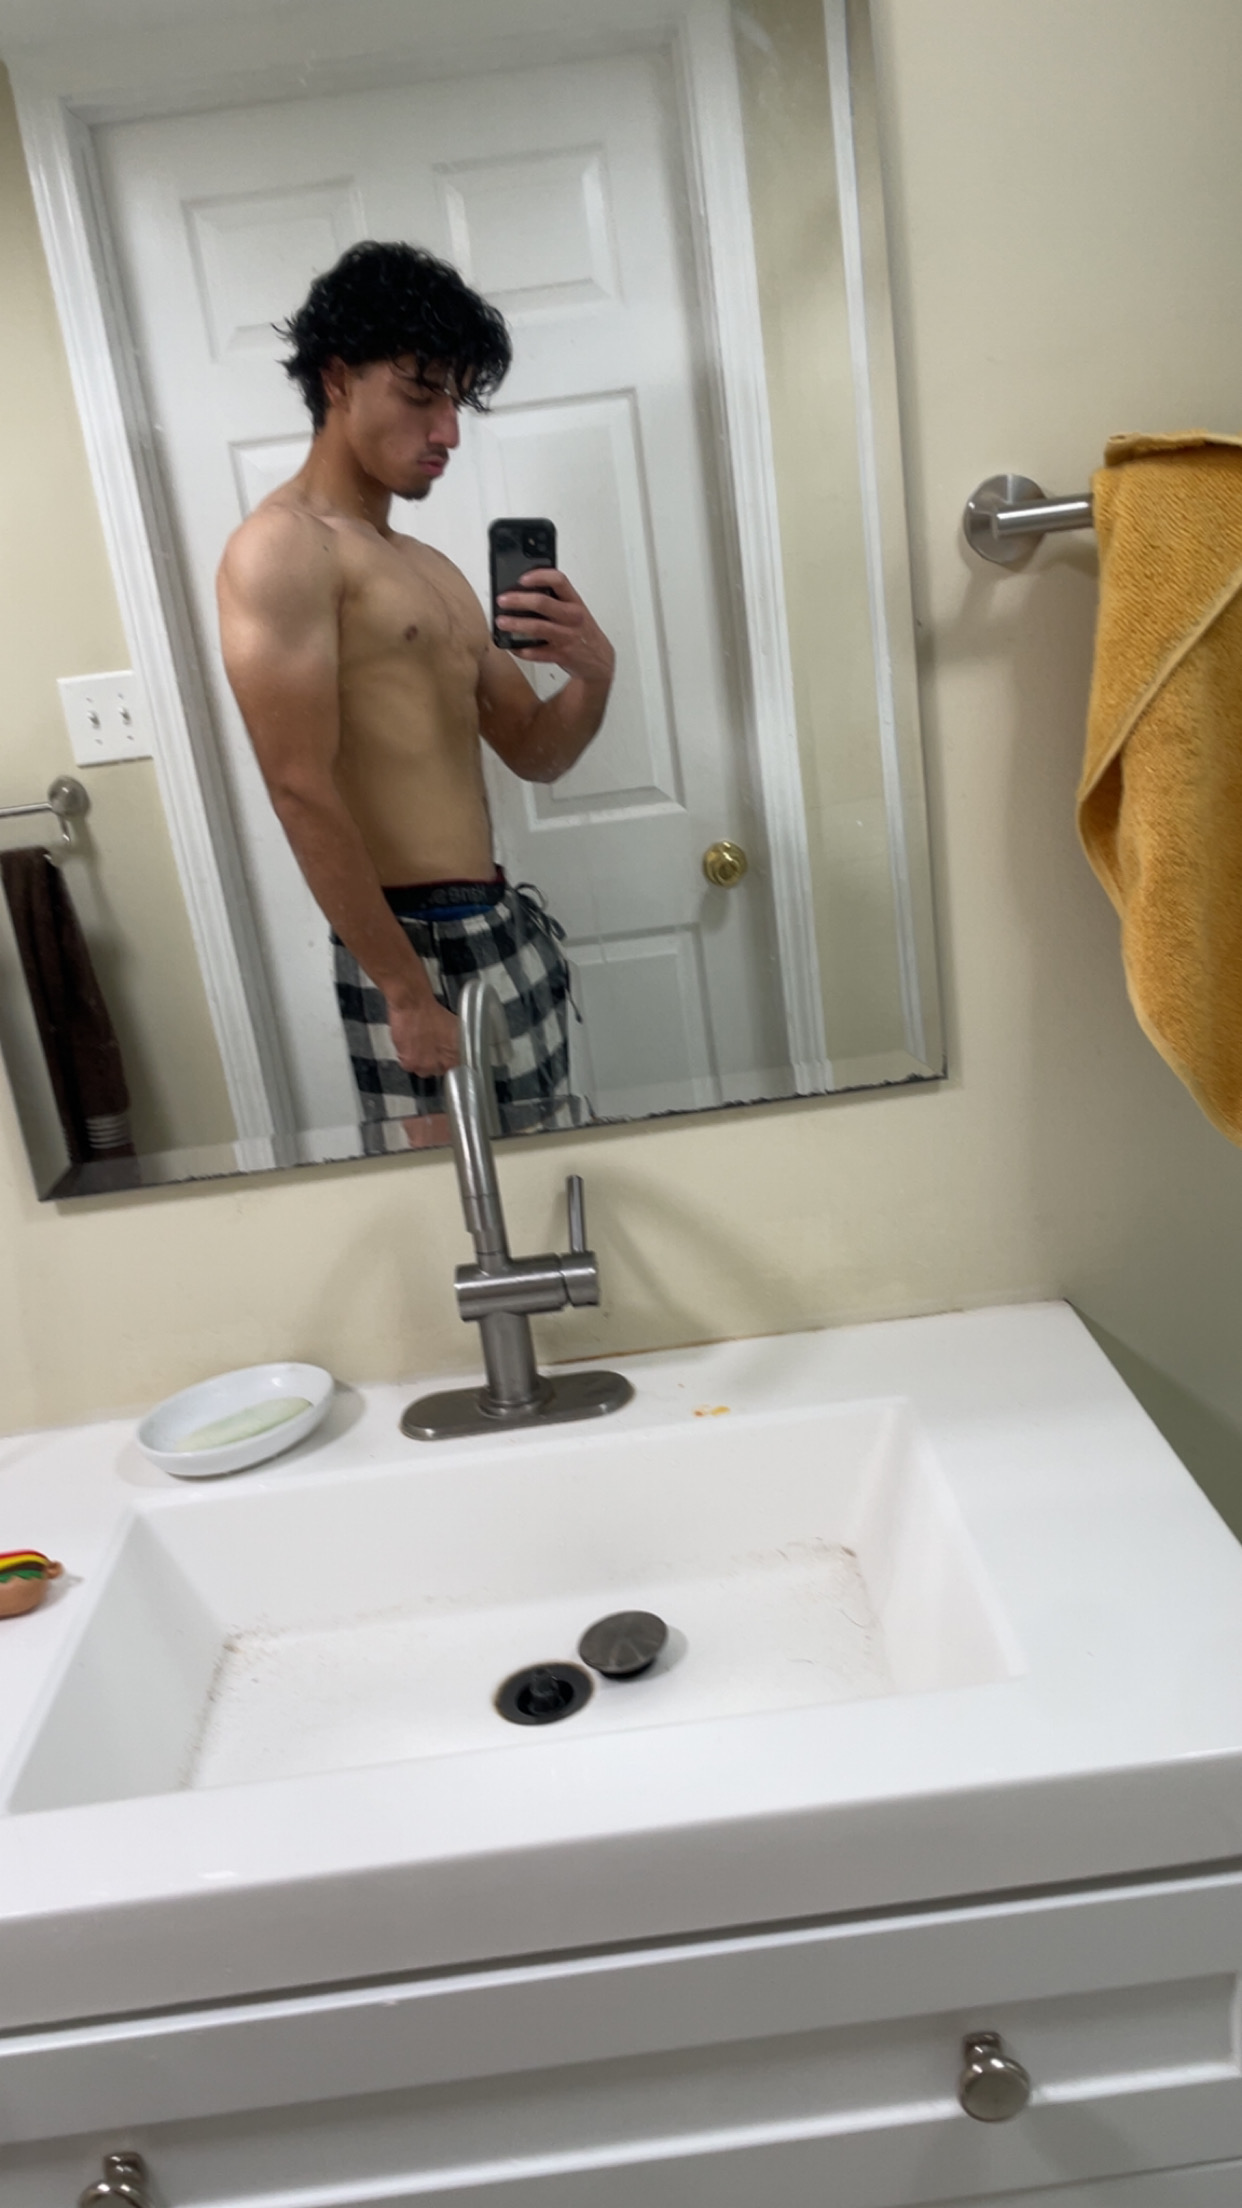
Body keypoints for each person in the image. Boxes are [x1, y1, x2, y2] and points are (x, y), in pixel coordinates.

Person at [216, 240, 614, 1141]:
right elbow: (298, 786)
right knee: (459, 1203)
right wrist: (401, 989)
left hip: (502, 923)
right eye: (421, 394)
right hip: (414, 946)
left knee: (550, 1176)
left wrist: (593, 674)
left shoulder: (432, 569)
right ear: (338, 379)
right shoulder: (283, 549)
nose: (449, 432)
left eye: (457, 401)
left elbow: (536, 751)